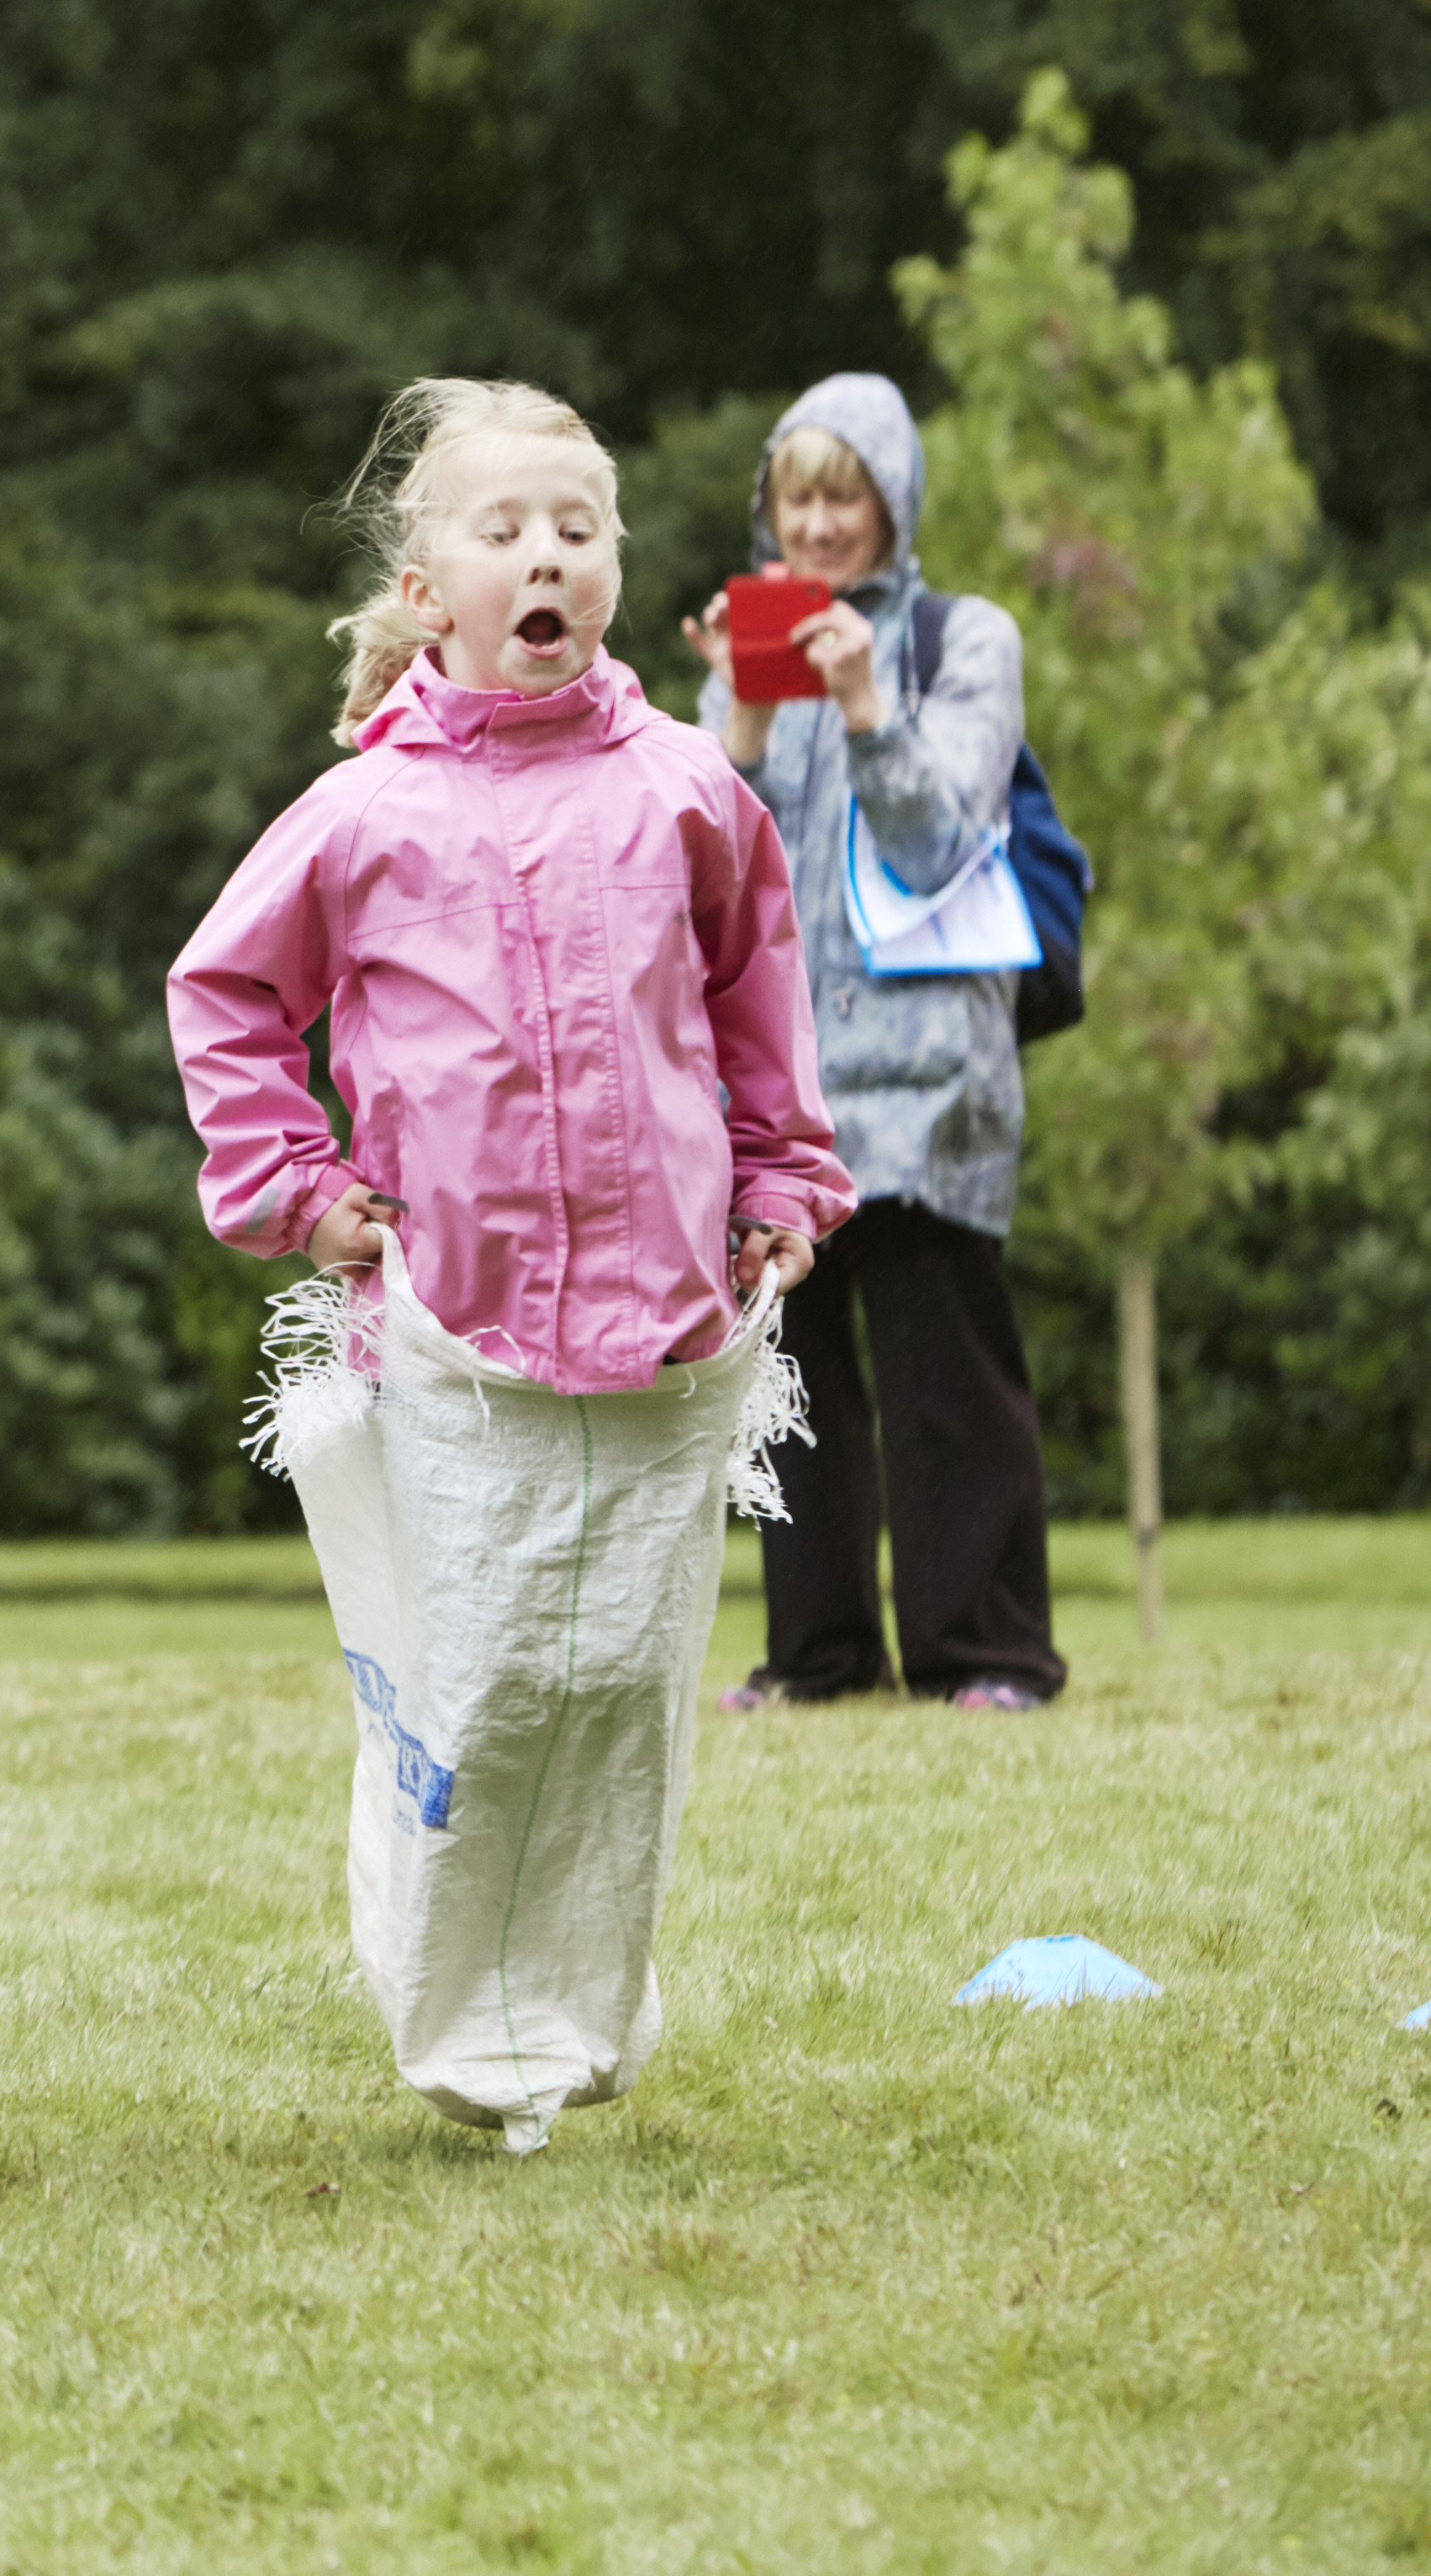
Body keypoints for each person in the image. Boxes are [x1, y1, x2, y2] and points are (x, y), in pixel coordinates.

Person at [170, 378, 853, 2147]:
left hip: (666, 1326)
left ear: (617, 563)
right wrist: (294, 1185)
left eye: (579, 525)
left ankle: (576, 2016)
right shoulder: (365, 814)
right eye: (505, 530)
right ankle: (463, 2014)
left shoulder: (690, 791)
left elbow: (758, 1002)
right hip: (456, 1327)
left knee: (621, 1685)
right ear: (427, 584)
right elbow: (229, 995)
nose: (546, 556)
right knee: (488, 1681)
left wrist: (782, 1177)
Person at [679, 374, 1067, 1712]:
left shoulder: (967, 641)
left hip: (931, 1081)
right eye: (800, 496)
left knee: (945, 1381)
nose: (822, 522)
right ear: (770, 509)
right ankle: (818, 1657)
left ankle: (989, 1655)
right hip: (786, 1088)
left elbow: (950, 836)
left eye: (847, 494)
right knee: (793, 1391)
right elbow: (698, 884)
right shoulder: (751, 655)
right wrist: (734, 710)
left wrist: (861, 703)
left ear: (894, 505)